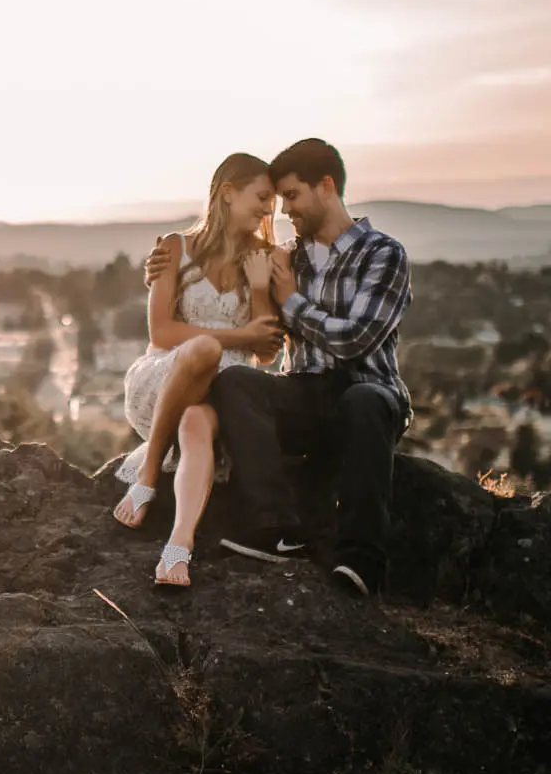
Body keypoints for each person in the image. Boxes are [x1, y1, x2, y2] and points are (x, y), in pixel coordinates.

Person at [143, 138, 412, 598]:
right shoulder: (288, 256)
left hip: (368, 391)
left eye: (291, 196)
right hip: (307, 392)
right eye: (277, 199)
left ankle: (360, 560)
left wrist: (292, 299)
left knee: (364, 400)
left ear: (326, 186)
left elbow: (354, 340)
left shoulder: (382, 254)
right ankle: (275, 530)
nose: (283, 211)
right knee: (236, 382)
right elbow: (225, 262)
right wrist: (161, 264)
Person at [112, 152, 288, 587]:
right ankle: (150, 472)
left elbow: (265, 351)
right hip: (168, 374)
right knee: (203, 350)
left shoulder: (265, 258)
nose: (269, 210)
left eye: (274, 203)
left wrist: (262, 288)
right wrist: (238, 337)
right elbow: (162, 331)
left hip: (223, 393)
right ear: (227, 192)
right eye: (262, 197)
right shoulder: (175, 248)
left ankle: (177, 550)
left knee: (195, 425)